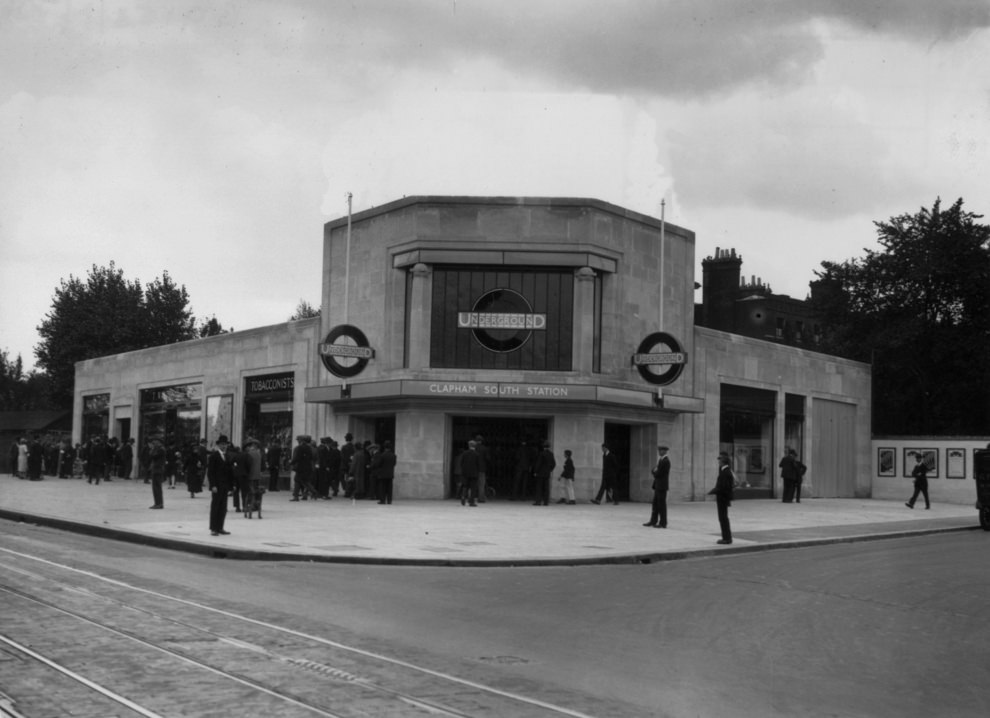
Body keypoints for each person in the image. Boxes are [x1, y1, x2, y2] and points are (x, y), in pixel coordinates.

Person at [207, 435, 233, 536]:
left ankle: (220, 527)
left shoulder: (228, 456)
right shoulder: (214, 456)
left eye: (225, 444)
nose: (224, 446)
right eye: (222, 444)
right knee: (215, 507)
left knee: (223, 507)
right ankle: (213, 528)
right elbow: (210, 472)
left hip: (225, 486)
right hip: (217, 486)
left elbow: (230, 472)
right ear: (218, 445)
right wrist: (213, 485)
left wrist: (231, 486)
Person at [709, 451, 735, 544]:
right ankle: (726, 537)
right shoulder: (725, 471)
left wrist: (714, 491)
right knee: (723, 518)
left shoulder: (726, 472)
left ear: (723, 462)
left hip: (723, 498)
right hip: (723, 498)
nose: (718, 462)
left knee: (723, 518)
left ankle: (727, 538)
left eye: (720, 460)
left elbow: (724, 487)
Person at [645, 445, 671, 528]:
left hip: (662, 486)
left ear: (665, 451)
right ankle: (653, 521)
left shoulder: (666, 461)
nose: (659, 452)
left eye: (661, 450)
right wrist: (655, 471)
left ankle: (663, 523)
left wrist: (654, 472)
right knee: (655, 504)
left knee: (661, 505)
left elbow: (659, 473)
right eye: (659, 450)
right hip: (658, 485)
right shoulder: (661, 460)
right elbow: (657, 470)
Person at [290, 435, 316, 501]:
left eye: (298, 440)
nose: (298, 441)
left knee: (297, 480)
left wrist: (291, 463)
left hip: (300, 467)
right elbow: (311, 457)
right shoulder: (309, 448)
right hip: (308, 467)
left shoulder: (299, 448)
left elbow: (296, 457)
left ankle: (296, 496)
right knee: (305, 481)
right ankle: (311, 492)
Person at [532, 440, 556, 506]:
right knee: (546, 488)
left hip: (540, 473)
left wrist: (535, 471)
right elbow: (554, 464)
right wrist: (550, 470)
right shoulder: (551, 454)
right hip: (547, 473)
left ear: (543, 447)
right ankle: (546, 502)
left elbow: (538, 464)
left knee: (539, 487)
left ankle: (538, 501)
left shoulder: (541, 454)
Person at [373, 440, 397, 504]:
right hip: (390, 473)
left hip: (383, 474)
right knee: (389, 488)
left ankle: (382, 500)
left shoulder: (382, 455)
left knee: (382, 488)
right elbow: (394, 464)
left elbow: (378, 464)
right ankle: (389, 500)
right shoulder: (393, 455)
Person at [459, 440, 480, 506]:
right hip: (474, 474)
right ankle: (471, 502)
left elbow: (461, 463)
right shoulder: (477, 454)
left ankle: (463, 496)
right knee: (473, 488)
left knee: (465, 486)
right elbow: (478, 464)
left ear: (468, 445)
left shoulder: (464, 453)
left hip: (465, 473)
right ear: (475, 446)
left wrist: (463, 470)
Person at [148, 437, 166, 509]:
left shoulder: (160, 450)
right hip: (157, 469)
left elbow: (152, 456)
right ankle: (158, 503)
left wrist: (152, 449)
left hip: (157, 469)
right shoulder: (160, 449)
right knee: (156, 487)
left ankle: (159, 503)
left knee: (156, 487)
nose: (154, 444)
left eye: (155, 442)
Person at [474, 434, 489, 503]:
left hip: (473, 468)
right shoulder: (484, 448)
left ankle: (471, 497)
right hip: (482, 469)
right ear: (481, 441)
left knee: (472, 483)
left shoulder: (473, 448)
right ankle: (481, 498)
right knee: (481, 484)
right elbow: (488, 458)